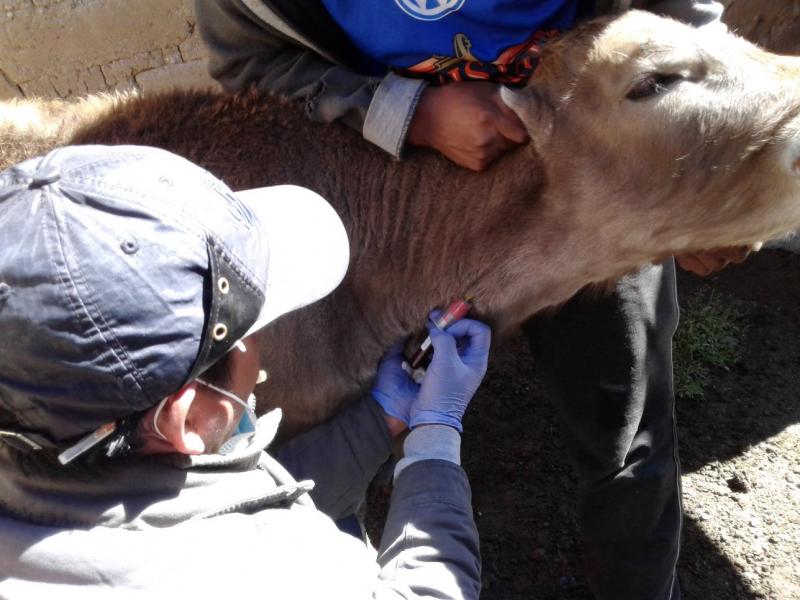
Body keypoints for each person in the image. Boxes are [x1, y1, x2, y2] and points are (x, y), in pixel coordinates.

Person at [194, 1, 753, 598]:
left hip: (598, 187)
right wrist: (406, 113)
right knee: (360, 427)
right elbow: (250, 62)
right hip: (400, 204)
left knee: (625, 432)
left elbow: (683, 25)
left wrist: (709, 161)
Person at [0, 144, 492, 598]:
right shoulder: (265, 573)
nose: (260, 346)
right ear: (188, 419)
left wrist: (380, 419)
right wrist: (436, 435)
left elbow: (217, 495)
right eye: (251, 330)